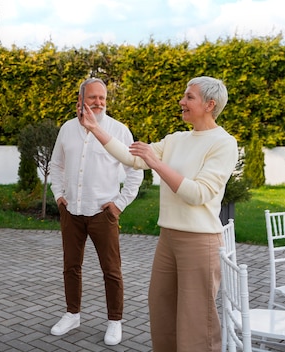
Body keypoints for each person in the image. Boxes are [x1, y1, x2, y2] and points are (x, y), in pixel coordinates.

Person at [79, 76, 238, 351]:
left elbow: (198, 193)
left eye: (189, 97)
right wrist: (94, 128)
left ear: (210, 104)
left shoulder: (223, 143)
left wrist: (156, 163)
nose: (182, 101)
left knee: (196, 321)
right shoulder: (177, 139)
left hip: (200, 242)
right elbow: (134, 158)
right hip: (168, 238)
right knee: (161, 311)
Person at [49, 78, 144, 346]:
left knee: (111, 270)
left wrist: (119, 204)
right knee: (71, 267)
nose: (99, 102)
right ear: (80, 101)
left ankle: (115, 321)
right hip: (72, 211)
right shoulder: (67, 129)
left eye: (102, 98)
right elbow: (56, 165)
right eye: (93, 98)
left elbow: (135, 170)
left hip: (104, 214)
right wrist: (59, 196)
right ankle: (72, 314)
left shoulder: (119, 131)